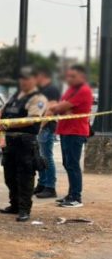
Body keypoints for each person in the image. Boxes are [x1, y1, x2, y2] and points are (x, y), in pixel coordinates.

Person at [0, 67, 48, 222]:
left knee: (25, 177)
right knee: (9, 176)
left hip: (25, 143)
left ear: (34, 80)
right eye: (22, 78)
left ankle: (24, 209)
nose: (24, 81)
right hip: (10, 142)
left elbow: (31, 119)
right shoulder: (15, 96)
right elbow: (1, 110)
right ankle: (14, 205)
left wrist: (6, 125)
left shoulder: (38, 98)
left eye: (27, 78)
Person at [48, 65, 94, 208]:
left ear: (82, 76)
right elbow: (59, 107)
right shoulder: (71, 90)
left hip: (75, 131)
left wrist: (60, 108)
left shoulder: (84, 90)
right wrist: (61, 108)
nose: (69, 79)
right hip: (65, 130)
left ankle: (76, 197)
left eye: (73, 76)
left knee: (73, 165)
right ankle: (71, 194)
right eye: (68, 76)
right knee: (67, 164)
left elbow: (58, 107)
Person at [34, 67, 62, 199]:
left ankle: (50, 187)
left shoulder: (51, 89)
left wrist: (39, 127)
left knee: (46, 157)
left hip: (46, 127)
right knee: (40, 157)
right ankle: (42, 183)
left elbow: (50, 110)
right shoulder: (43, 90)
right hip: (41, 127)